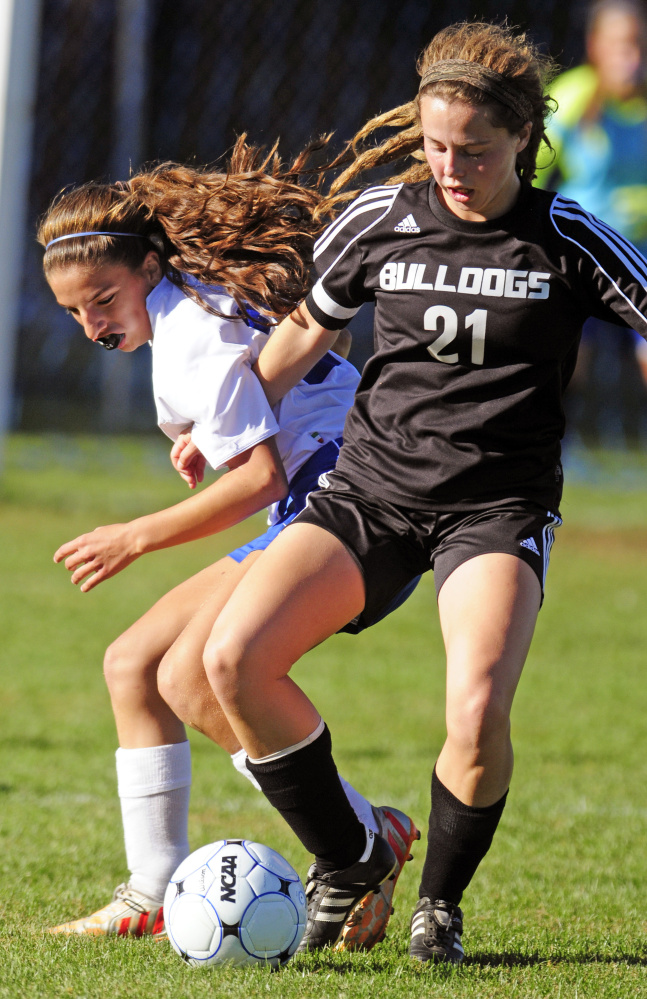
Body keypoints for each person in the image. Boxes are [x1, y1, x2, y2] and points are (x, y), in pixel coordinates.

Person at [169, 20, 647, 963]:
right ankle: (349, 856)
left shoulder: (567, 237)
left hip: (495, 509)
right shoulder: (382, 219)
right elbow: (303, 333)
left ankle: (439, 904)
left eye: (473, 148)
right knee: (233, 662)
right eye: (435, 146)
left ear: (521, 135)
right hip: (368, 494)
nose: (451, 166)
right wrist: (219, 424)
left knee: (474, 710)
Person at [38, 140, 419, 945]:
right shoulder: (189, 300)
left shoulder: (186, 339)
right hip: (324, 485)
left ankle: (355, 837)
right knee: (134, 664)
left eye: (102, 299)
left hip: (345, 499)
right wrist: (209, 437)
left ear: (146, 266)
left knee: (186, 674)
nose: (92, 324)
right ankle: (155, 888)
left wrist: (134, 535)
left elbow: (258, 480)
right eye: (74, 312)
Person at [536, 0, 647, 444]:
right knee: (568, 350)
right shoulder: (572, 98)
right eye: (621, 46)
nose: (631, 58)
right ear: (596, 47)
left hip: (642, 251)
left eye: (638, 46)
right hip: (584, 253)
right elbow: (533, 174)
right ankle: (555, 445)